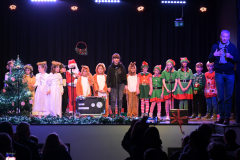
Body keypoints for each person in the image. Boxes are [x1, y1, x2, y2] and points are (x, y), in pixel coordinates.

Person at [208, 30, 240, 125]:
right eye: (223, 36)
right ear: (220, 36)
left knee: (228, 97)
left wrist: (231, 56)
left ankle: (227, 118)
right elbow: (209, 59)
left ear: (229, 37)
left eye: (227, 36)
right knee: (220, 97)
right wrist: (214, 55)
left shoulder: (232, 46)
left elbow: (237, 59)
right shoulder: (215, 46)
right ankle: (221, 117)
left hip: (230, 74)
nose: (225, 38)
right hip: (219, 74)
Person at [106, 53, 127, 117]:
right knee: (113, 99)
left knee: (120, 99)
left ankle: (119, 113)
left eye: (117, 58)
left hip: (120, 84)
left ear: (119, 59)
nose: (116, 60)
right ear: (113, 59)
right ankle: (113, 113)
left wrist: (126, 84)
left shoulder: (122, 67)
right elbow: (108, 78)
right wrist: (108, 86)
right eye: (115, 58)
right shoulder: (110, 67)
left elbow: (124, 76)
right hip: (113, 85)